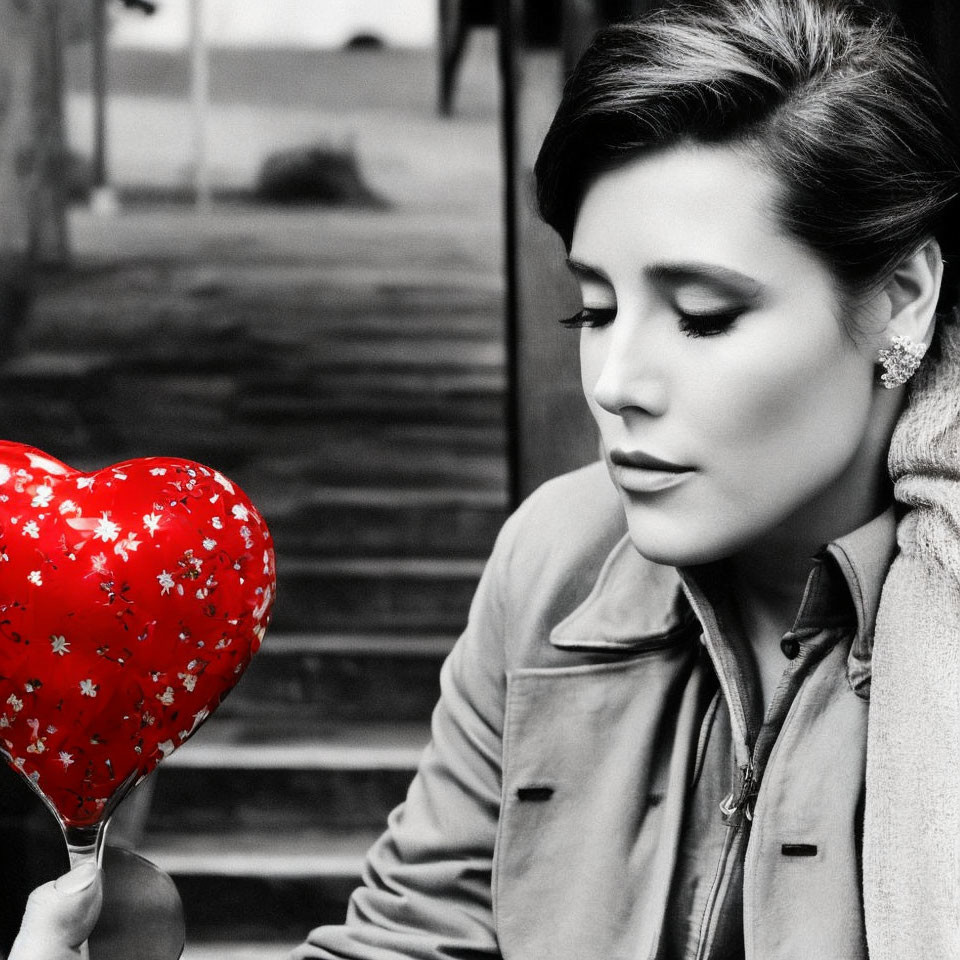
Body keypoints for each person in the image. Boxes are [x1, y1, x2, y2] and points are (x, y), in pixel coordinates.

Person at [11, 0, 960, 956]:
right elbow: (411, 941)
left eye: (703, 316)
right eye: (592, 310)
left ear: (903, 302)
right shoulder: (557, 561)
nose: (615, 384)